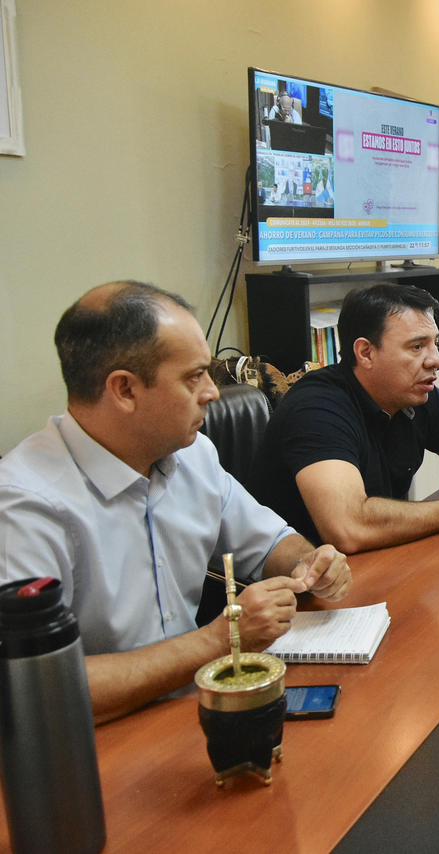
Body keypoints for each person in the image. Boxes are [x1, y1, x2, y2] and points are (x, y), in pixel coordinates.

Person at [0, 282, 353, 724]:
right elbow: (34, 693)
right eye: (193, 377)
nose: (213, 392)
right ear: (124, 390)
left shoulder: (191, 454)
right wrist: (218, 640)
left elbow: (270, 544)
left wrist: (310, 564)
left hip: (193, 709)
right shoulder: (23, 507)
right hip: (101, 739)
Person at [254, 284, 439, 554]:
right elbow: (348, 529)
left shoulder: (417, 393)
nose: (436, 360)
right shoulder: (316, 408)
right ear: (366, 352)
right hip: (304, 575)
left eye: (434, 343)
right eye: (417, 346)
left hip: (380, 558)